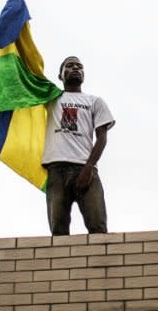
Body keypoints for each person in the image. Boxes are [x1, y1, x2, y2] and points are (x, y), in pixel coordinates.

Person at [42, 56, 115, 235]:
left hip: (86, 169)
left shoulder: (94, 101)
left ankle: (100, 262)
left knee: (98, 225)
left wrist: (88, 168)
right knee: (58, 229)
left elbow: (102, 138)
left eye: (79, 66)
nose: (75, 68)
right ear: (60, 75)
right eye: (69, 65)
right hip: (56, 170)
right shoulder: (50, 98)